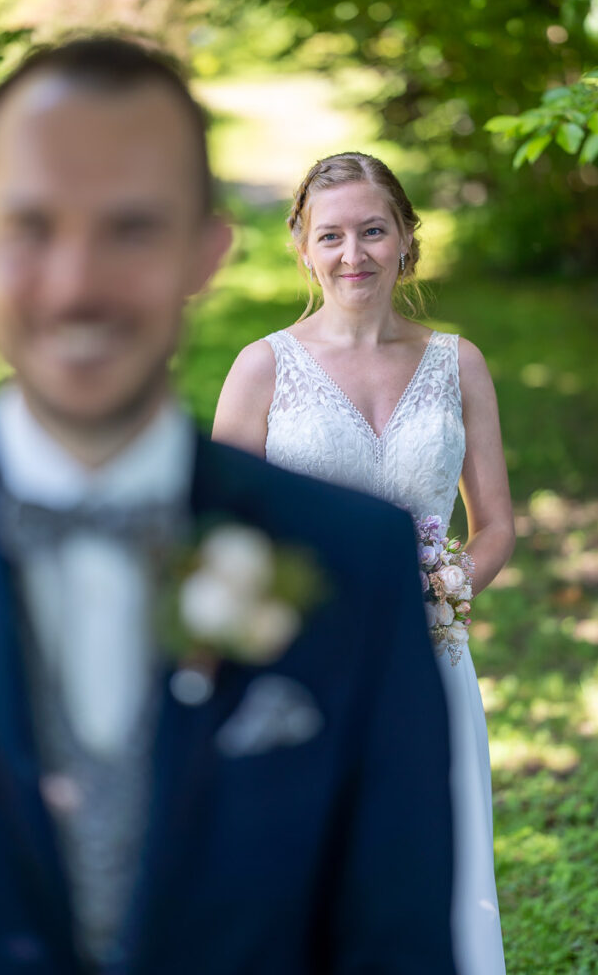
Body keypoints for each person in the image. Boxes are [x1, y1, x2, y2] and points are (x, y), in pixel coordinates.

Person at [0, 42, 457, 974]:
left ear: (205, 251)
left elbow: (394, 945)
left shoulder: (354, 565)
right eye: (32, 226)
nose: (78, 283)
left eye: (131, 227)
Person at [213, 150, 516, 975]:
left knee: (437, 872)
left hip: (431, 663)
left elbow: (493, 526)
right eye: (332, 235)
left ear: (406, 241)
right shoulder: (262, 368)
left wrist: (449, 586)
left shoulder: (459, 363)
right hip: (301, 666)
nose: (354, 255)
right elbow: (214, 544)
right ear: (302, 246)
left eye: (374, 231)